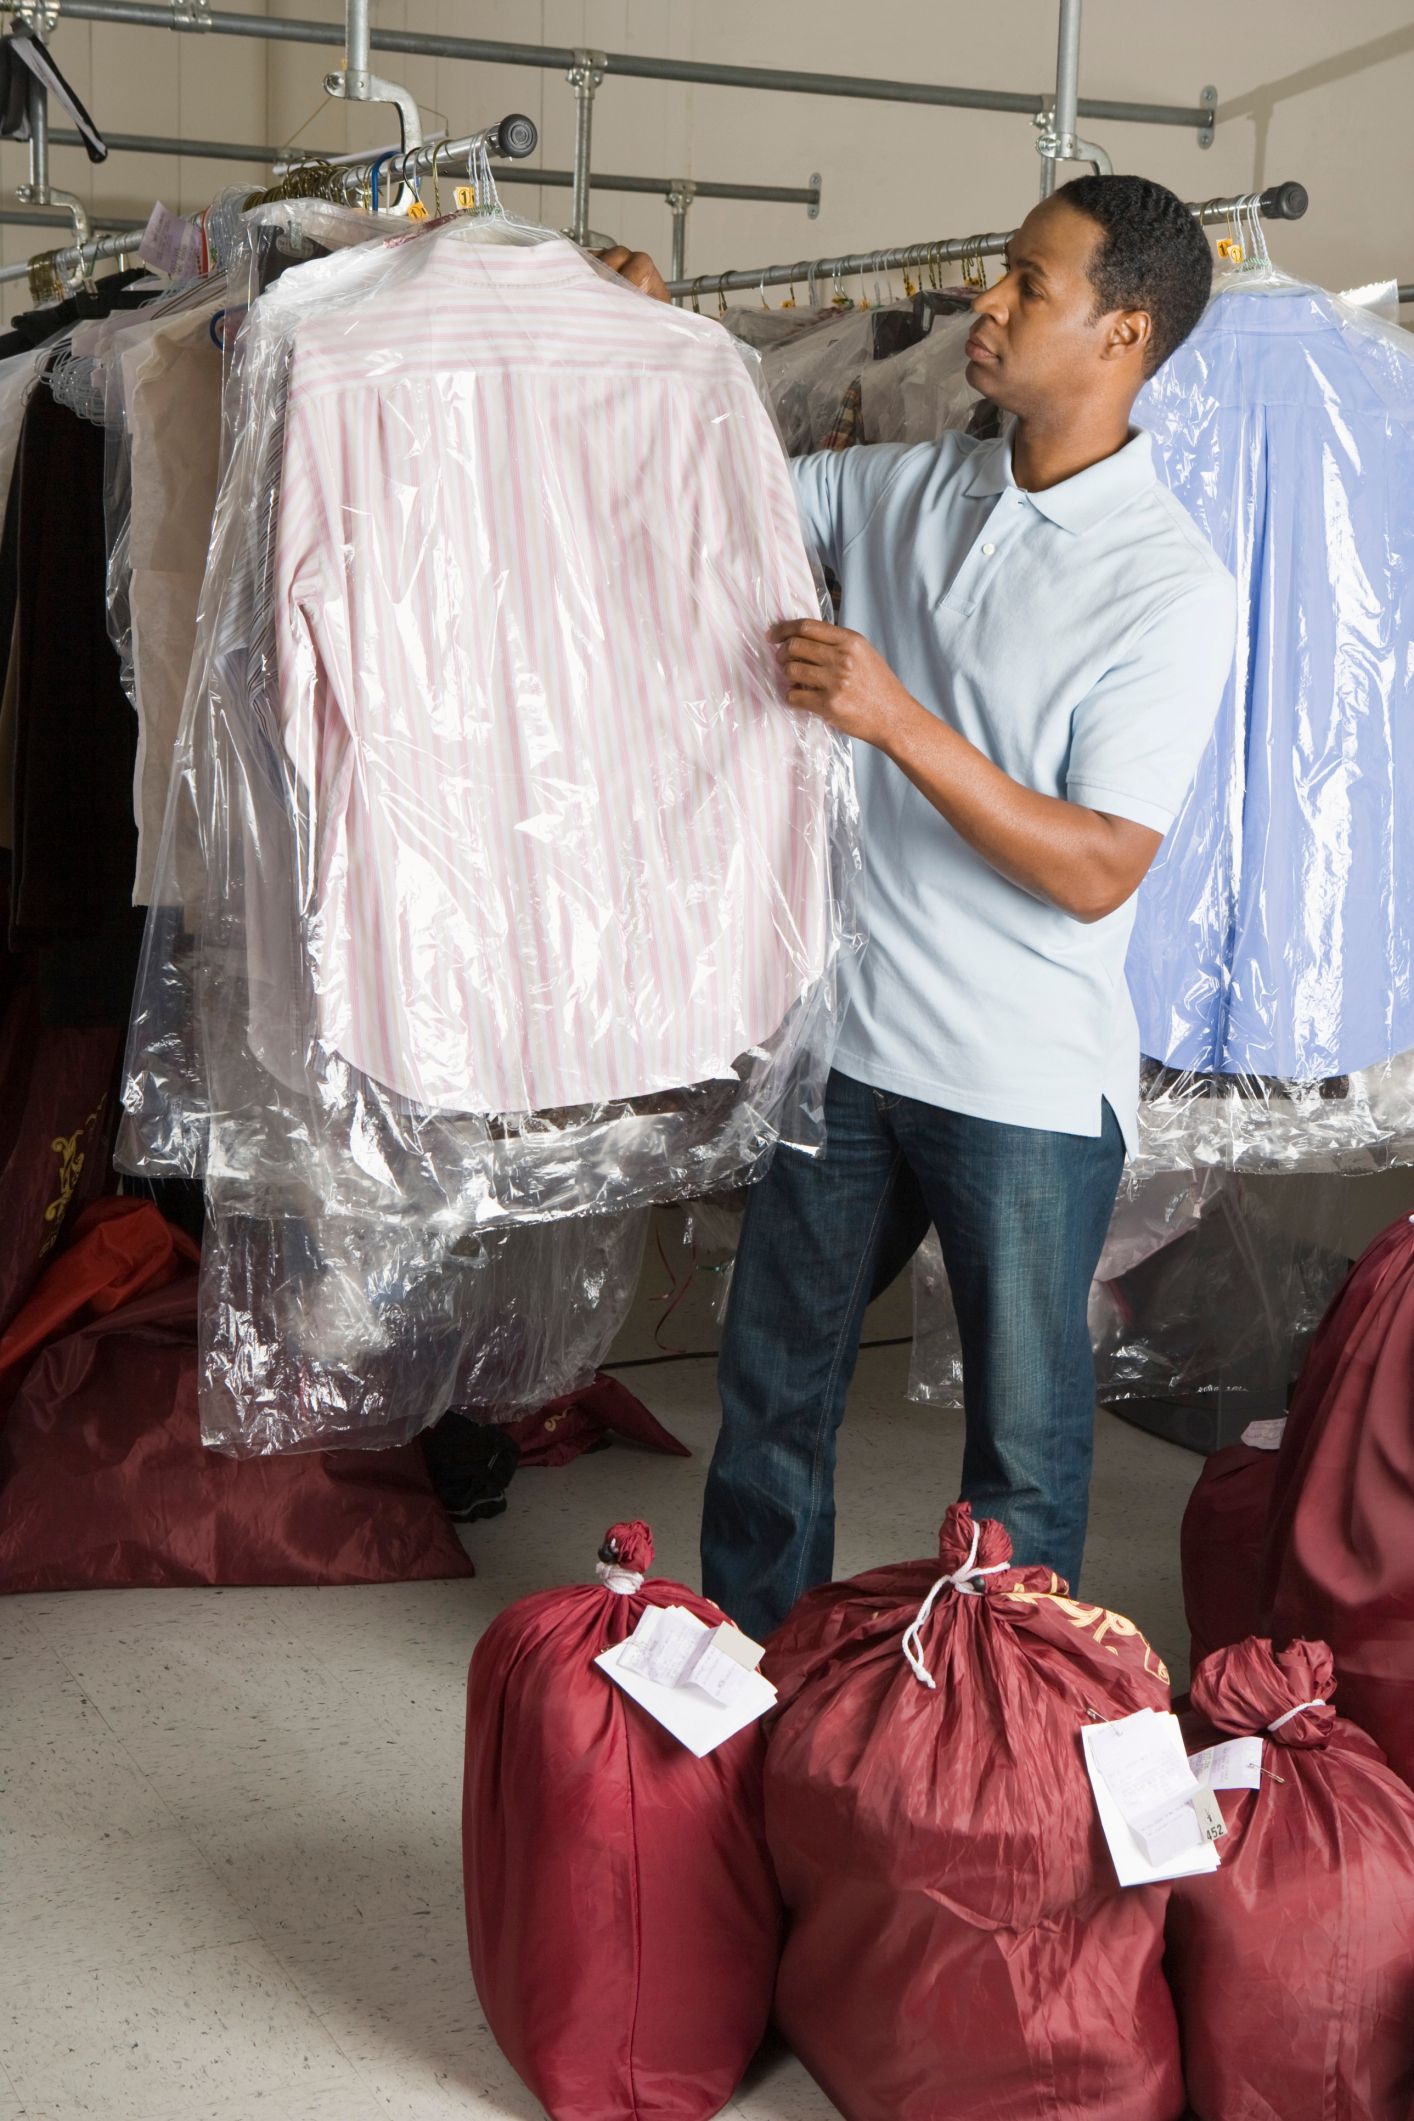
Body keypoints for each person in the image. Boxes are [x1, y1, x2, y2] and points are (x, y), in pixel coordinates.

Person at [601, 174, 1236, 1642]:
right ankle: (753, 1686)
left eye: (1027, 284)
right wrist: (655, 339)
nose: (984, 305)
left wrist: (892, 718)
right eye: (997, 273)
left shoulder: (1167, 583)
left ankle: (1002, 1722)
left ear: (1124, 333)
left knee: (1020, 1455)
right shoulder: (903, 486)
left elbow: (1098, 865)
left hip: (1023, 1077)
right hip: (850, 1046)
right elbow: (717, 481)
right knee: (771, 1395)